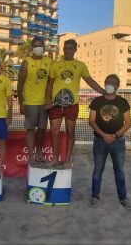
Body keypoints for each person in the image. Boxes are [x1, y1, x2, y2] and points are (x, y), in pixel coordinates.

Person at [46, 39, 104, 168]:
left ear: (75, 50)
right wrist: (48, 101)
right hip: (56, 105)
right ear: (63, 49)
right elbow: (49, 84)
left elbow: (90, 81)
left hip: (72, 105)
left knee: (70, 132)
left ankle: (67, 159)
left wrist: (104, 92)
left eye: (71, 48)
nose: (68, 50)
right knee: (54, 131)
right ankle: (55, 158)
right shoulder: (55, 65)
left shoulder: (81, 65)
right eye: (66, 48)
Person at [88, 74, 131, 211]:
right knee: (97, 170)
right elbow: (91, 121)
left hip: (118, 141)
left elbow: (128, 123)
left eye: (113, 82)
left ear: (117, 86)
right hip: (99, 140)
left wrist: (114, 135)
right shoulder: (96, 101)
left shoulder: (123, 102)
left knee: (119, 170)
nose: (110, 84)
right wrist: (104, 135)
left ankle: (123, 197)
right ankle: (95, 196)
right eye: (108, 81)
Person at [17, 36, 52, 165]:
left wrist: (50, 100)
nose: (38, 48)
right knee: (30, 130)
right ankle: (31, 156)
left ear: (43, 47)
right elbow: (20, 84)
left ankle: (39, 152)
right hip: (30, 102)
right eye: (35, 45)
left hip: (44, 102)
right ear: (32, 48)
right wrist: (21, 102)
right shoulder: (26, 62)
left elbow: (51, 81)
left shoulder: (49, 61)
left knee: (42, 129)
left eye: (40, 45)